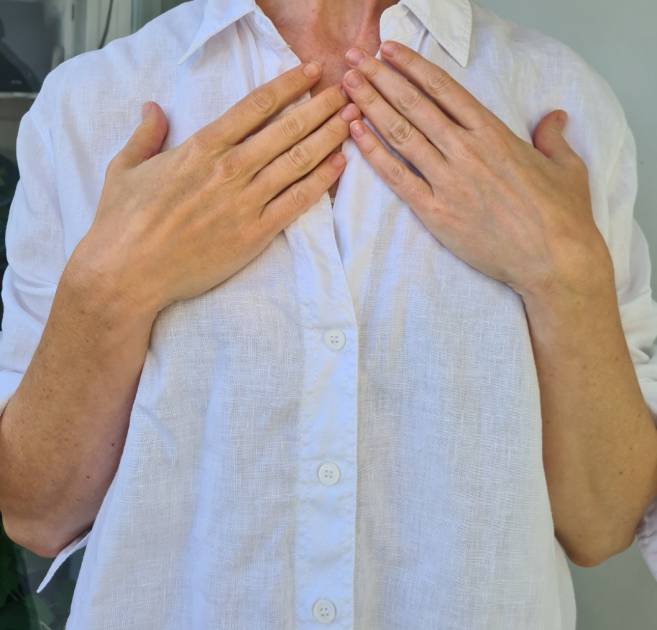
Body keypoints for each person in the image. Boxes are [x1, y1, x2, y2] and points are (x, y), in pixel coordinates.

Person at [0, 0, 656, 627]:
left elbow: (601, 524)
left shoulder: (560, 100)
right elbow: (36, 514)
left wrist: (564, 275)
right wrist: (111, 287)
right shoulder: (89, 105)